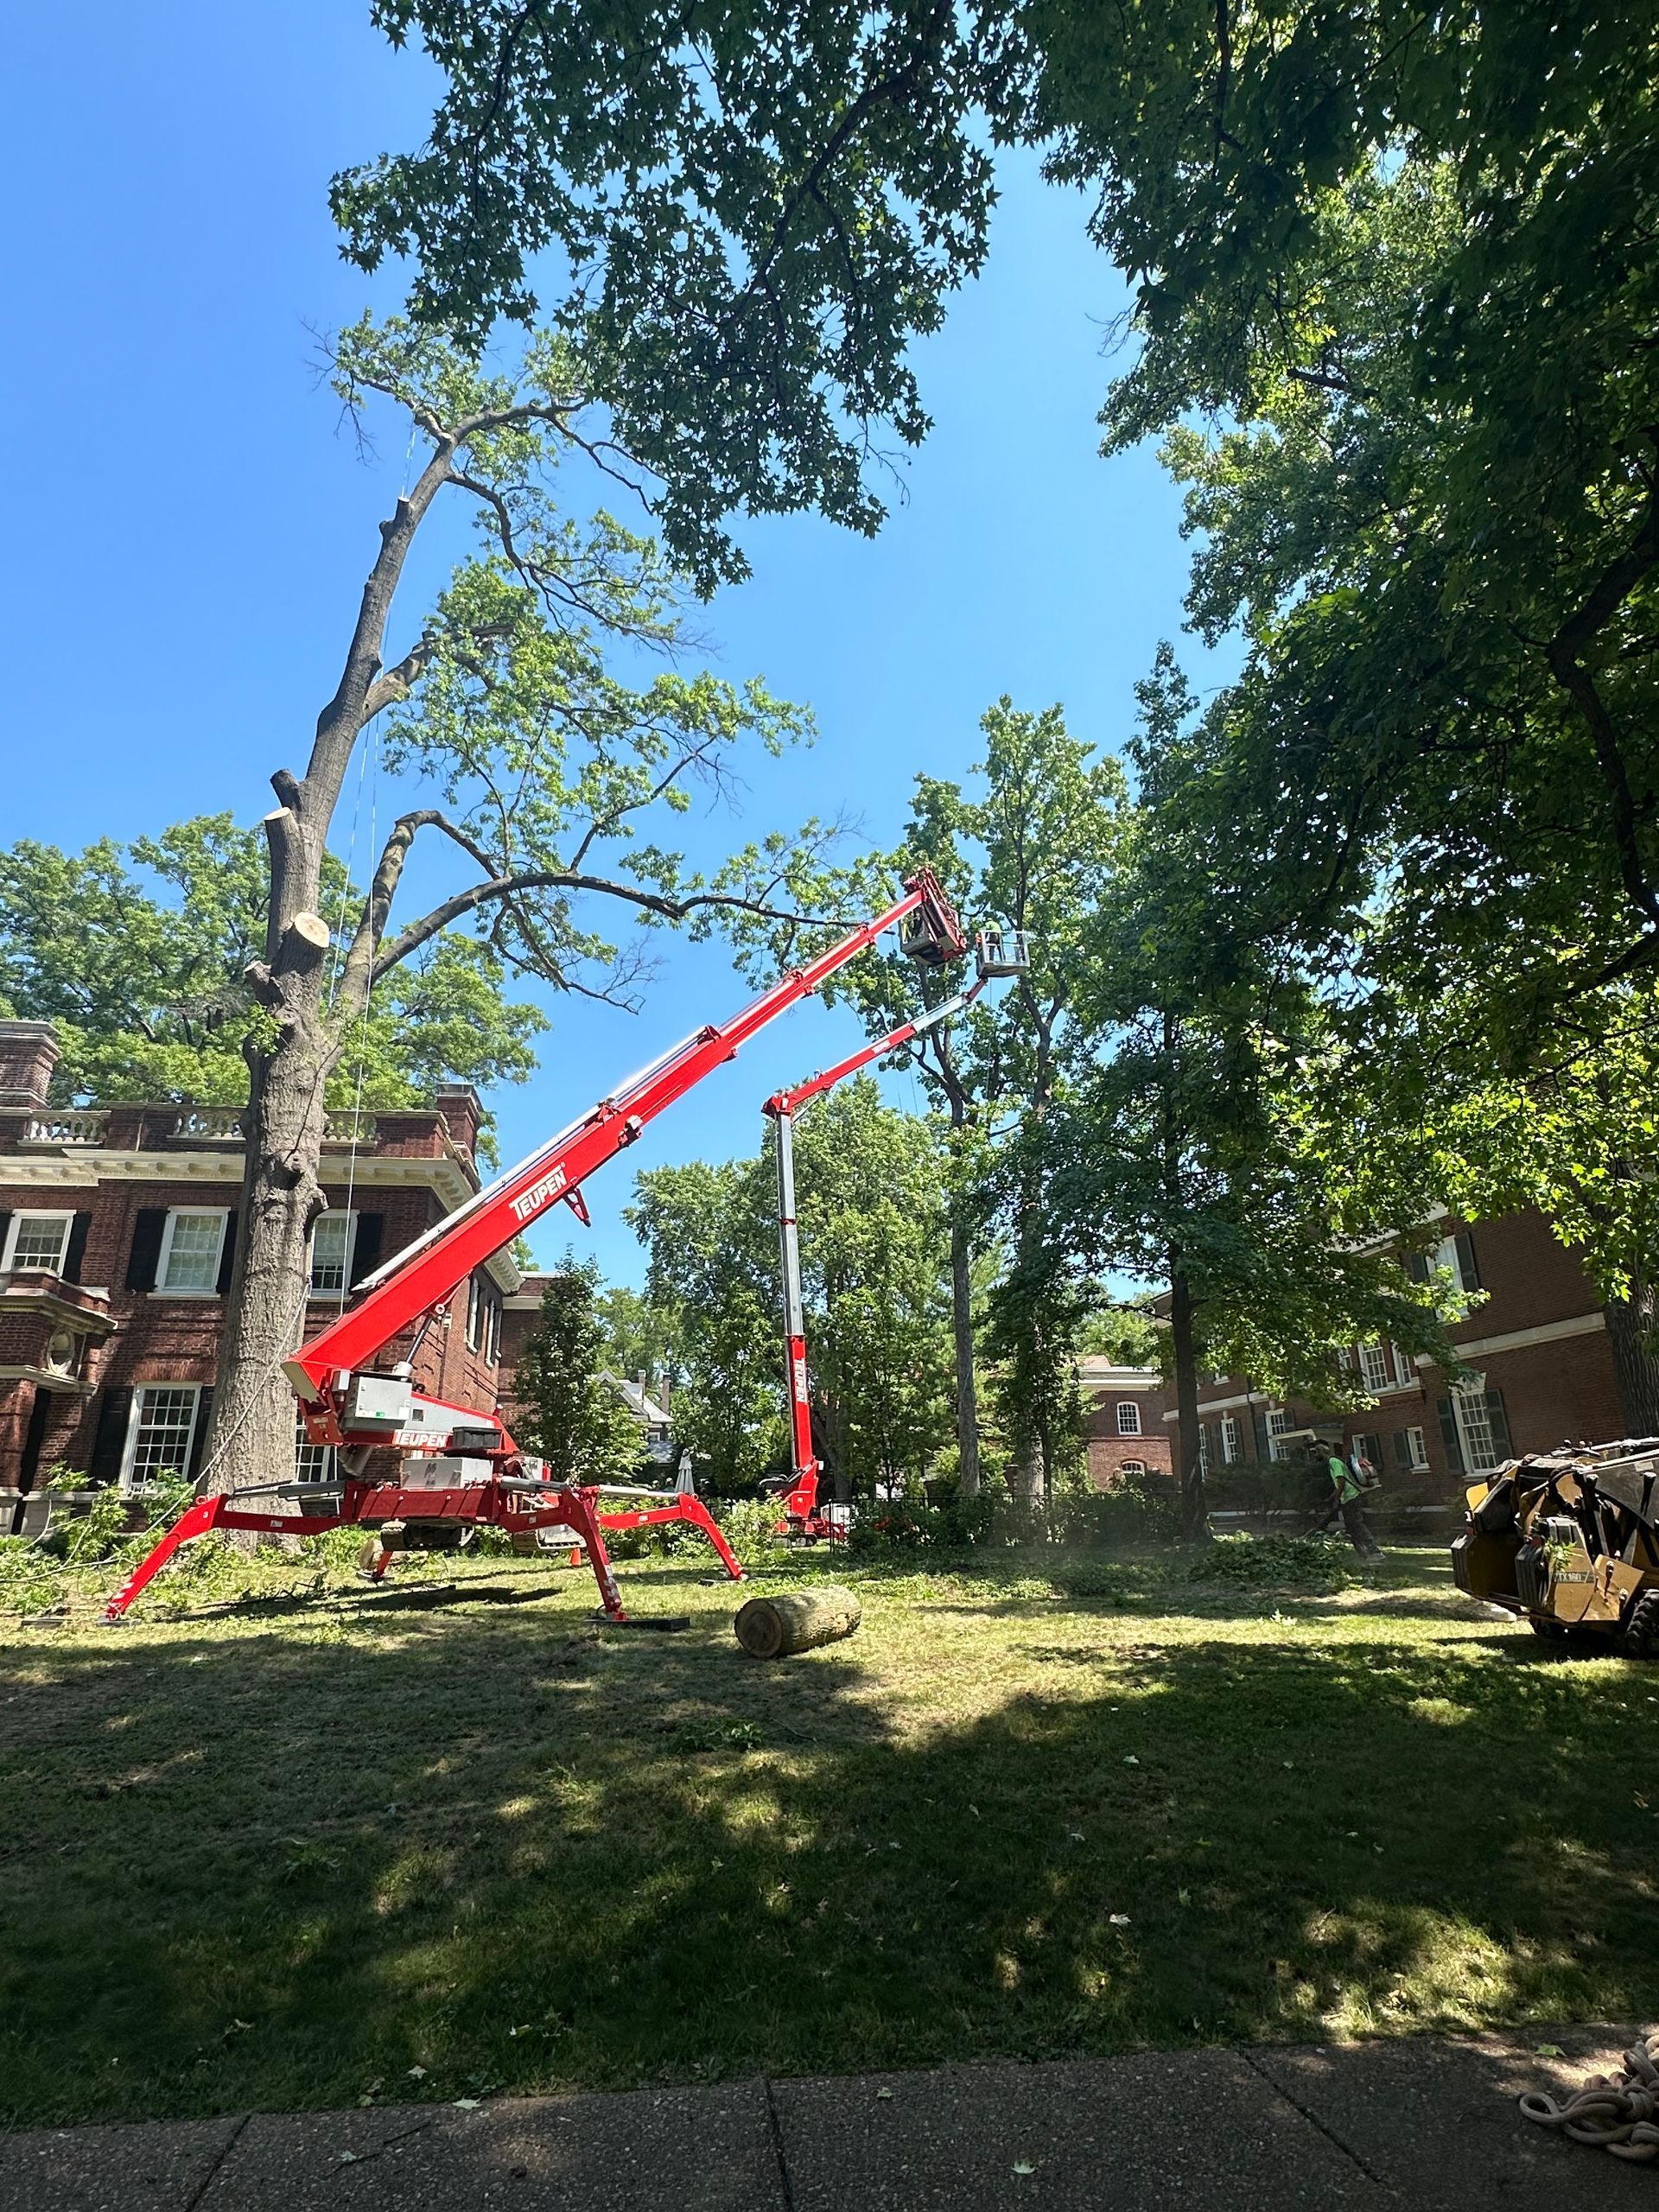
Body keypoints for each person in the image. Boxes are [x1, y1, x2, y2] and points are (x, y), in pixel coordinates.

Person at [1325, 1446, 1382, 1558]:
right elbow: (1341, 1482)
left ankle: (1374, 1550)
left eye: (1316, 1452)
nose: (1314, 1455)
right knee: (1351, 1527)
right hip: (1348, 1497)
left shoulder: (1333, 1461)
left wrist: (1337, 1499)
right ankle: (1364, 1555)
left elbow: (1341, 1481)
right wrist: (1330, 1498)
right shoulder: (1337, 1461)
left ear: (1323, 1451)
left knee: (1356, 1524)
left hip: (1350, 1497)